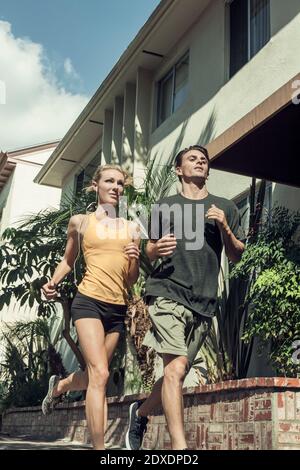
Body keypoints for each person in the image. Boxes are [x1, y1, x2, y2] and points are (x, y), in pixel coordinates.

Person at [125, 145, 245, 450]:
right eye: (192, 158)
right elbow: (147, 249)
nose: (200, 161)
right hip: (167, 292)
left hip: (203, 303)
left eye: (204, 160)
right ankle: (180, 448)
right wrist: (154, 249)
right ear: (179, 170)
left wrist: (225, 227)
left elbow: (236, 255)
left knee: (174, 374)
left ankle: (139, 414)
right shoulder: (164, 206)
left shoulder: (224, 206)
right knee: (176, 369)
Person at [41, 164, 140, 450]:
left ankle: (60, 386)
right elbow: (68, 260)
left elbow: (131, 279)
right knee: (101, 375)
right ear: (95, 186)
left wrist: (133, 258)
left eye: (120, 183)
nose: (116, 187)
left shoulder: (132, 228)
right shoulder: (81, 222)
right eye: (109, 181)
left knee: (93, 376)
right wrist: (52, 282)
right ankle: (100, 449)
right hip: (88, 301)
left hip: (117, 307)